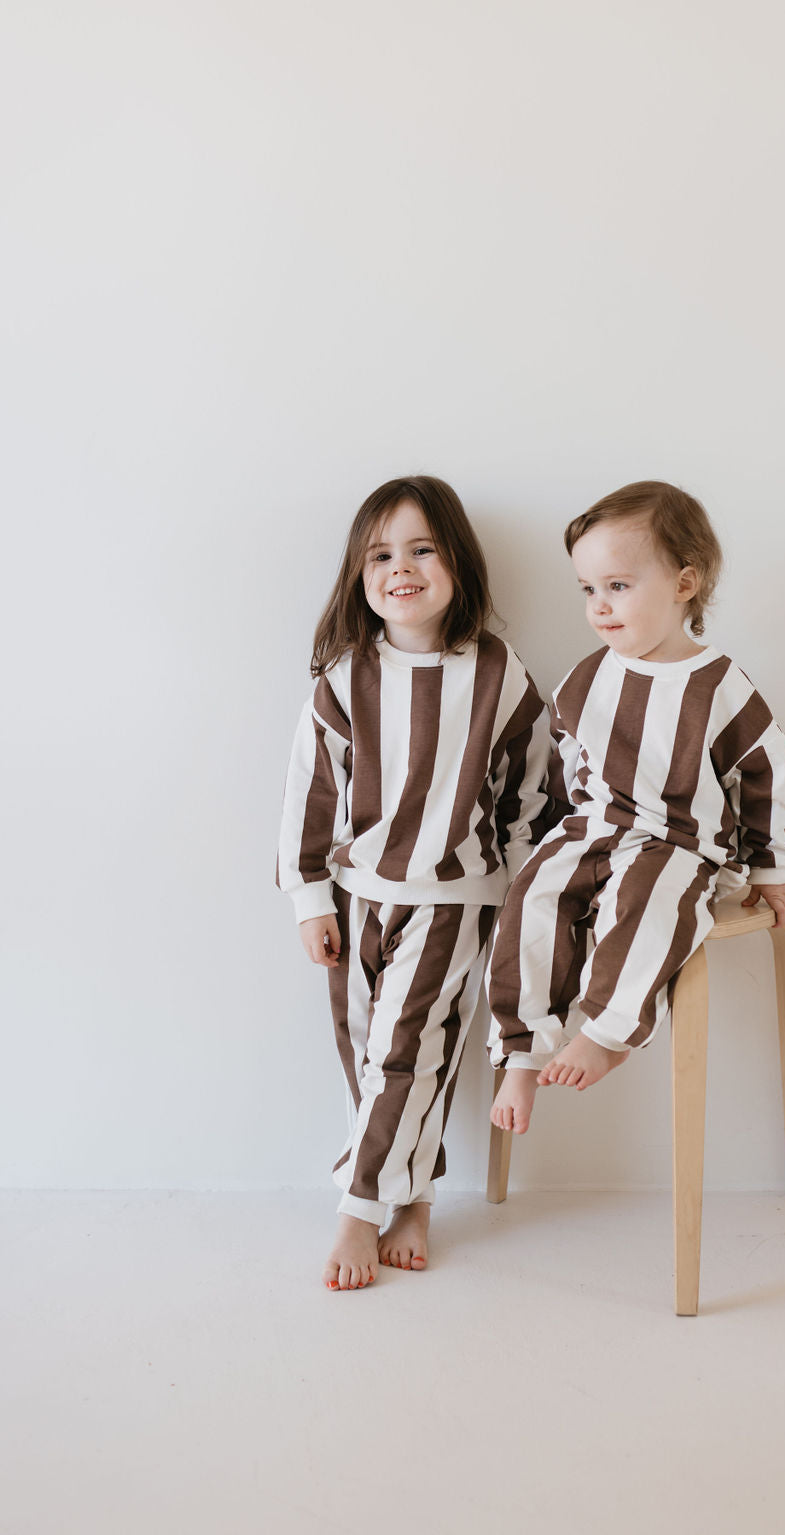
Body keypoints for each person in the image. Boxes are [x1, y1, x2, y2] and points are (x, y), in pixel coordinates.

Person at [277, 476, 551, 1289]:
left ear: (457, 562)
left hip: (454, 900)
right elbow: (310, 792)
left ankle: (358, 1212)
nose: (402, 567)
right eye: (382, 554)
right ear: (359, 576)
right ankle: (418, 1196)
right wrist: (308, 899)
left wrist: (526, 902)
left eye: (423, 548)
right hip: (359, 898)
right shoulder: (342, 679)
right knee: (377, 1058)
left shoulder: (499, 675)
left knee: (406, 1052)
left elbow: (535, 796)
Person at [488, 480, 785, 1134]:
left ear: (685, 583)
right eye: (588, 590)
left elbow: (769, 775)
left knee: (651, 899)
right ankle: (522, 1046)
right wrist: (558, 841)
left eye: (618, 586)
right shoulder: (587, 676)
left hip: (678, 840)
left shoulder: (719, 685)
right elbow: (566, 762)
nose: (599, 606)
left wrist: (771, 871)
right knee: (534, 894)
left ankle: (608, 1030)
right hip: (592, 827)